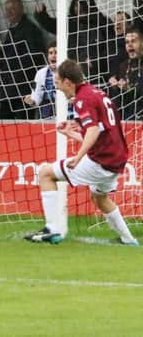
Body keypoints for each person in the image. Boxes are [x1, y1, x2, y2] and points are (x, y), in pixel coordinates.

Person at [24, 59, 138, 246]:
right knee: (100, 198)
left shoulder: (82, 101)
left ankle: (52, 229)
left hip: (101, 162)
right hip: (116, 159)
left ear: (68, 82)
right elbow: (100, 134)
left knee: (45, 173)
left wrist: (77, 158)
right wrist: (71, 133)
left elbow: (92, 131)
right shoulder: (97, 93)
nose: (58, 88)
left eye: (59, 83)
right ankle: (129, 240)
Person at [0, 0, 46, 119]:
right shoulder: (12, 30)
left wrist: (15, 72)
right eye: (7, 9)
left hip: (23, 89)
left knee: (22, 124)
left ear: (21, 9)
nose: (8, 13)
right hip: (9, 88)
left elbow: (35, 56)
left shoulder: (30, 29)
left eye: (12, 9)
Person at [107, 27, 143, 120]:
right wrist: (116, 87)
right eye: (127, 42)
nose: (130, 45)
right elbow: (122, 99)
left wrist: (128, 88)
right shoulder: (123, 66)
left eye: (133, 41)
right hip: (128, 116)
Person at [23, 42, 57, 119]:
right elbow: (36, 94)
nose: (53, 56)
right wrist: (32, 100)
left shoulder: (68, 71)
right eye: (50, 53)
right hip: (46, 108)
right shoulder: (40, 73)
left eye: (56, 53)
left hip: (63, 107)